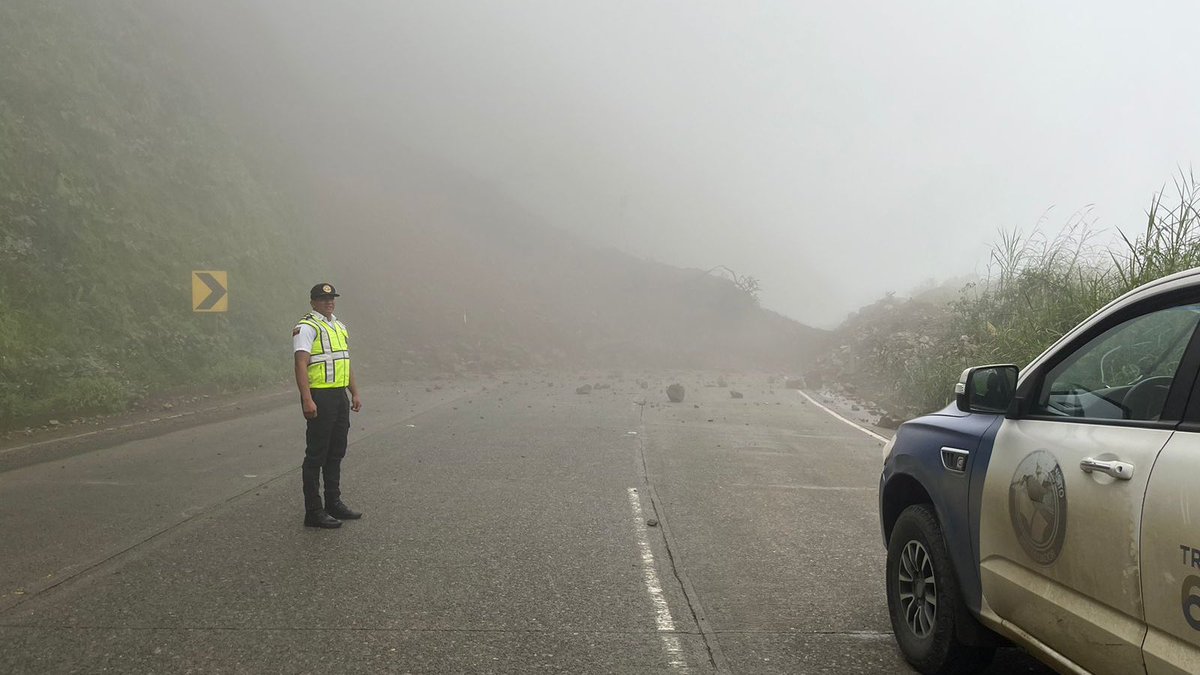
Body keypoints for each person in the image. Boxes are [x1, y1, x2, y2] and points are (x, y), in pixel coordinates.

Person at [292, 283, 363, 528]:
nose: (328, 302)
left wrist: (354, 392)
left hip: (339, 397)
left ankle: (334, 503)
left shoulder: (339, 326)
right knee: (316, 455)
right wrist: (307, 399)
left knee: (336, 452)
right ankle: (313, 511)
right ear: (312, 302)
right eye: (322, 299)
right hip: (319, 396)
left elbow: (345, 359)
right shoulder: (306, 327)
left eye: (331, 298)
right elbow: (301, 363)